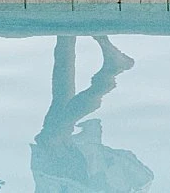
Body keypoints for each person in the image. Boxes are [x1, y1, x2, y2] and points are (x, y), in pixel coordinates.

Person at [30, 36, 154, 192]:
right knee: (52, 134)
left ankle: (70, 41)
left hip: (62, 177)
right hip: (74, 179)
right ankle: (107, 77)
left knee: (56, 119)